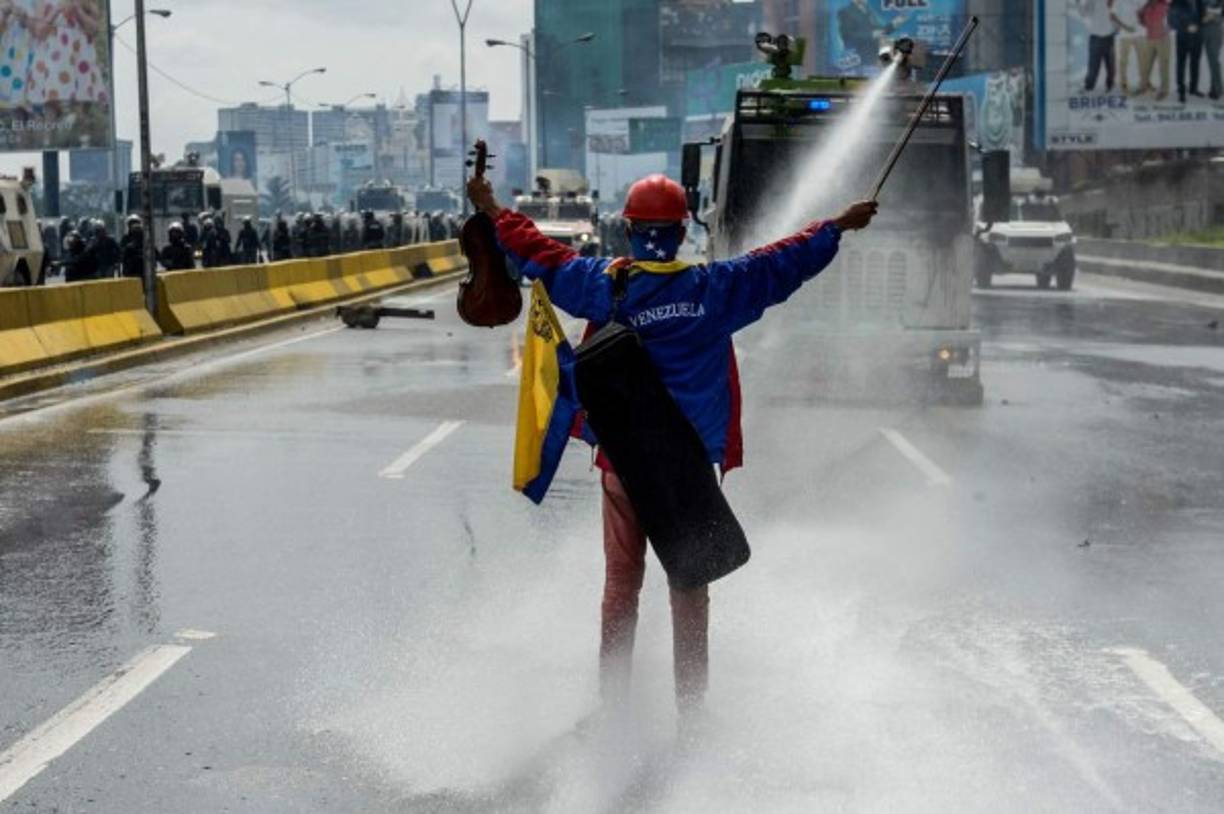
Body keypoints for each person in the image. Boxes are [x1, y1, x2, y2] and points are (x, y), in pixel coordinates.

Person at [466, 172, 878, 716]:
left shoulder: (604, 286)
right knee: (690, 588)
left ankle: (613, 706)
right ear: (683, 232)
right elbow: (782, 262)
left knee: (621, 586)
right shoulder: (716, 289)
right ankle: (693, 713)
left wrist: (492, 206)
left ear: (630, 229)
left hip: (623, 466)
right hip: (689, 473)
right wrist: (836, 227)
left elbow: (540, 254)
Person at [1169, 0, 1206, 102]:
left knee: (1195, 64)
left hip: (1197, 38)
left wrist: (1200, 24)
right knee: (1181, 64)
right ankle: (1181, 91)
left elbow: (1202, 18)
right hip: (1182, 38)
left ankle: (1193, 88)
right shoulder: (1176, 2)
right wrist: (1186, 27)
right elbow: (1171, 22)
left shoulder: (1200, 2)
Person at [1083, 0, 1121, 92]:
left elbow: (1118, 17)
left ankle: (1110, 86)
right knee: (1093, 66)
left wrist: (1116, 29)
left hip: (1108, 38)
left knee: (1111, 66)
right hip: (1095, 37)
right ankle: (1089, 87)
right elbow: (1084, 13)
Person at [1138, 0, 1173, 98]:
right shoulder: (1146, 6)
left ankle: (1164, 90)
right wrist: (1145, 22)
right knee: (1146, 64)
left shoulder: (1165, 5)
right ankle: (1143, 86)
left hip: (1163, 39)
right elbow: (1141, 20)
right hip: (1150, 38)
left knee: (1163, 66)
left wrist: (1167, 29)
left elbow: (1173, 19)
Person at [1117, 0, 1148, 91]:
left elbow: (1146, 11)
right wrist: (1125, 27)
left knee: (1143, 60)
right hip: (1125, 34)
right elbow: (1115, 16)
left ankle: (1144, 82)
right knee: (1124, 60)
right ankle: (1123, 82)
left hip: (1140, 34)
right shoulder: (1120, 2)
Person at [1204, 0, 1223, 99]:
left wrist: (1214, 17)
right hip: (1202, 32)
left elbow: (1221, 16)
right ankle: (1213, 88)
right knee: (1211, 61)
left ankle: (1217, 89)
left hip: (1215, 34)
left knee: (1214, 61)